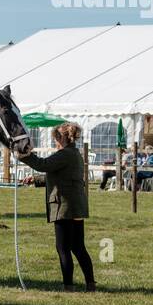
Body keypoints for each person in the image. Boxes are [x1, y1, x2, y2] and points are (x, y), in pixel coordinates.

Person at [18, 122, 95, 291]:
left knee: (63, 248)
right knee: (78, 247)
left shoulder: (64, 154)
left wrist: (24, 156)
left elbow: (43, 165)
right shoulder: (74, 153)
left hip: (65, 206)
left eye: (56, 138)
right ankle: (90, 284)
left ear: (62, 138)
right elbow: (59, 175)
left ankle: (68, 286)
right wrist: (35, 180)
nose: (54, 141)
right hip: (76, 206)